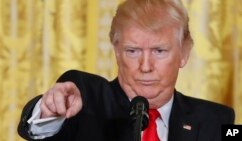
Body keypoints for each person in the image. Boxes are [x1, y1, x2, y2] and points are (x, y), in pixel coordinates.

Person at [18, 0, 235, 141]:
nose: (145, 66)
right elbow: (37, 128)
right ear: (117, 51)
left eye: (159, 51)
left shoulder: (216, 119)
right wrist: (50, 111)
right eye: (133, 51)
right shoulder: (86, 102)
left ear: (184, 54)